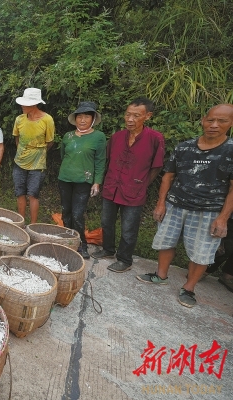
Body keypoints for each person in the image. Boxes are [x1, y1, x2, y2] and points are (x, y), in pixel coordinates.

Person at [138, 104, 233, 308]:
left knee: (202, 251)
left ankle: (189, 288)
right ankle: (161, 275)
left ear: (230, 123)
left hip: (209, 211)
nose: (214, 125)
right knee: (165, 241)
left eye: (222, 121)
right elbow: (168, 176)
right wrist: (161, 203)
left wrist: (223, 217)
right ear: (203, 120)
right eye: (211, 120)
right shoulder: (184, 147)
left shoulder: (230, 150)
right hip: (175, 204)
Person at [91, 98, 165, 273]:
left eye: (136, 116)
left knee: (129, 228)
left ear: (148, 116)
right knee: (106, 222)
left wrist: (143, 184)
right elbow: (107, 160)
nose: (130, 119)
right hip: (112, 187)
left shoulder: (155, 139)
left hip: (134, 190)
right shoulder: (117, 137)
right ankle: (108, 250)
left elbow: (157, 166)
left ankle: (125, 259)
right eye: (128, 114)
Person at [58, 102, 106, 259]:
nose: (83, 120)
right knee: (66, 211)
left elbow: (100, 161)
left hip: (83, 180)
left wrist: (97, 181)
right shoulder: (68, 136)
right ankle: (68, 240)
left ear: (92, 119)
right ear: (75, 119)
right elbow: (63, 155)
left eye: (86, 116)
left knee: (78, 214)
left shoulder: (98, 137)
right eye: (80, 116)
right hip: (65, 178)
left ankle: (81, 244)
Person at [12, 88, 55, 223]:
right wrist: (23, 151)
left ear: (35, 104)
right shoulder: (19, 119)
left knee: (33, 195)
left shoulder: (47, 120)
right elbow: (17, 139)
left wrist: (37, 153)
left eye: (25, 104)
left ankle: (33, 225)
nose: (22, 106)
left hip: (37, 164)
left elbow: (50, 142)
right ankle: (21, 223)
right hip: (19, 162)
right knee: (20, 193)